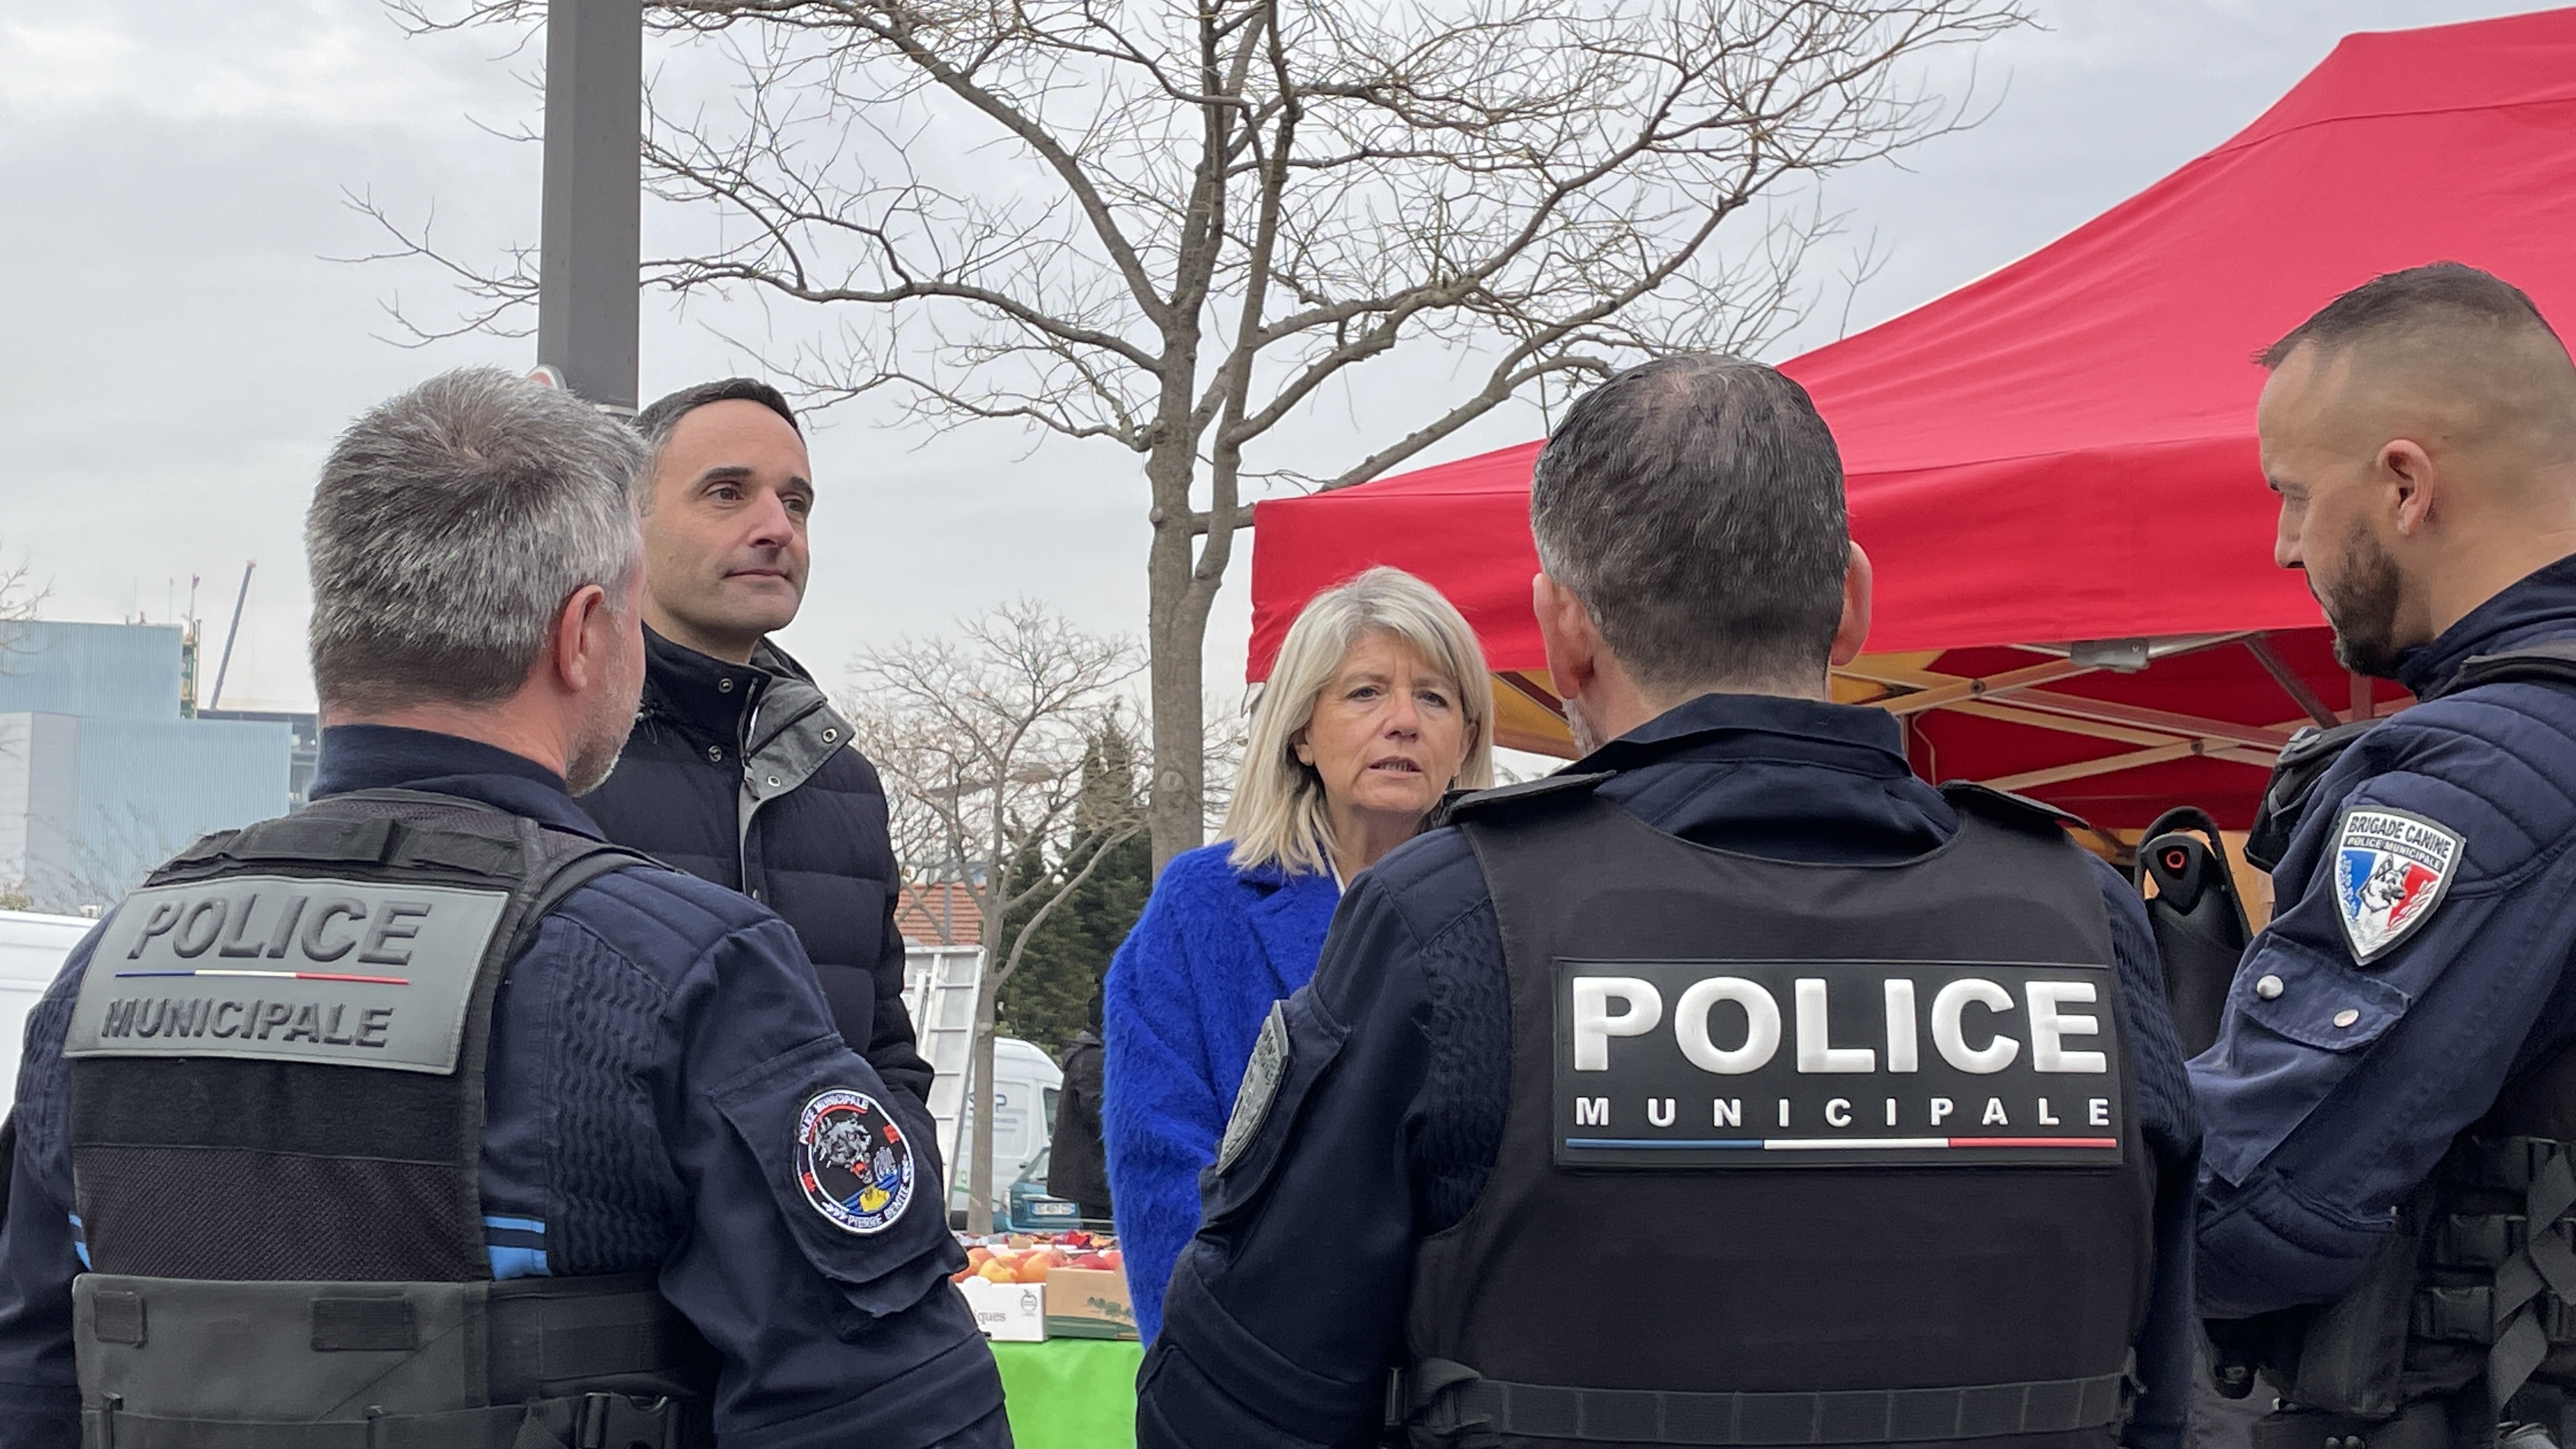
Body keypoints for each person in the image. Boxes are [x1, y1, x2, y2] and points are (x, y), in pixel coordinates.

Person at [1136, 355, 2201, 1449]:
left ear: (1563, 632)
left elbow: (1226, 1410)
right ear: (1850, 604)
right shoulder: (2084, 917)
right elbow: (2172, 1392)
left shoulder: (1450, 924)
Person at [0, 370, 1006, 1448]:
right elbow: (889, 1413)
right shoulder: (684, 975)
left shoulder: (108, 976)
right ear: (583, 635)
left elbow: (32, 1382)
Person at [2193, 263, 2576, 1445]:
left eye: (2295, 494)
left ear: (2406, 484)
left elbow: (2254, 1204)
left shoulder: (2485, 777)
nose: (2284, 544)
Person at [1104, 565, 1495, 1343]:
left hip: (1470, 1368)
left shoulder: (1510, 907)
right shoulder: (1202, 906)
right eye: (1365, 692)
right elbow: (1159, 1164)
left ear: (1466, 739)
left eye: (1434, 697)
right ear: (1301, 732)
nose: (1403, 721)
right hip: (1264, 1362)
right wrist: (1211, 1369)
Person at [581, 378, 932, 1109]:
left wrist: (907, 1170)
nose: (778, 528)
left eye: (795, 503)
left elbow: (885, 1055)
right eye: (727, 493)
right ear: (626, 523)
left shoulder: (844, 785)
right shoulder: (562, 758)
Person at [1048, 991, 1112, 1221]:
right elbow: (1099, 1113)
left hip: (1094, 1174)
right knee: (1102, 1237)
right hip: (1095, 1175)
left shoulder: (1091, 1054)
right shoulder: (1093, 1058)